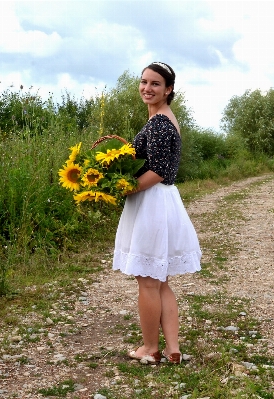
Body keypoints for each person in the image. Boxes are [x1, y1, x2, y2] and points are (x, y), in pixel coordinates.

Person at [112, 62, 202, 364]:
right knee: (159, 280)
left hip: (153, 202)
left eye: (155, 84)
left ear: (168, 89)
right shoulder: (161, 119)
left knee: (149, 281)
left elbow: (160, 171)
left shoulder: (161, 122)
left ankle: (150, 348)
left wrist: (126, 188)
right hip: (160, 202)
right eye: (143, 82)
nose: (147, 88)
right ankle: (173, 348)